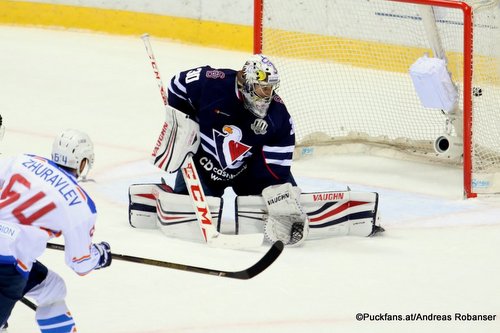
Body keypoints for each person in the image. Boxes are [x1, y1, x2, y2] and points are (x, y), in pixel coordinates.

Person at [0, 129, 111, 333]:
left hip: (9, 260)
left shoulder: (22, 160)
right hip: (8, 267)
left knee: (52, 288)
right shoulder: (81, 204)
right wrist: (100, 255)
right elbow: (80, 262)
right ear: (83, 162)